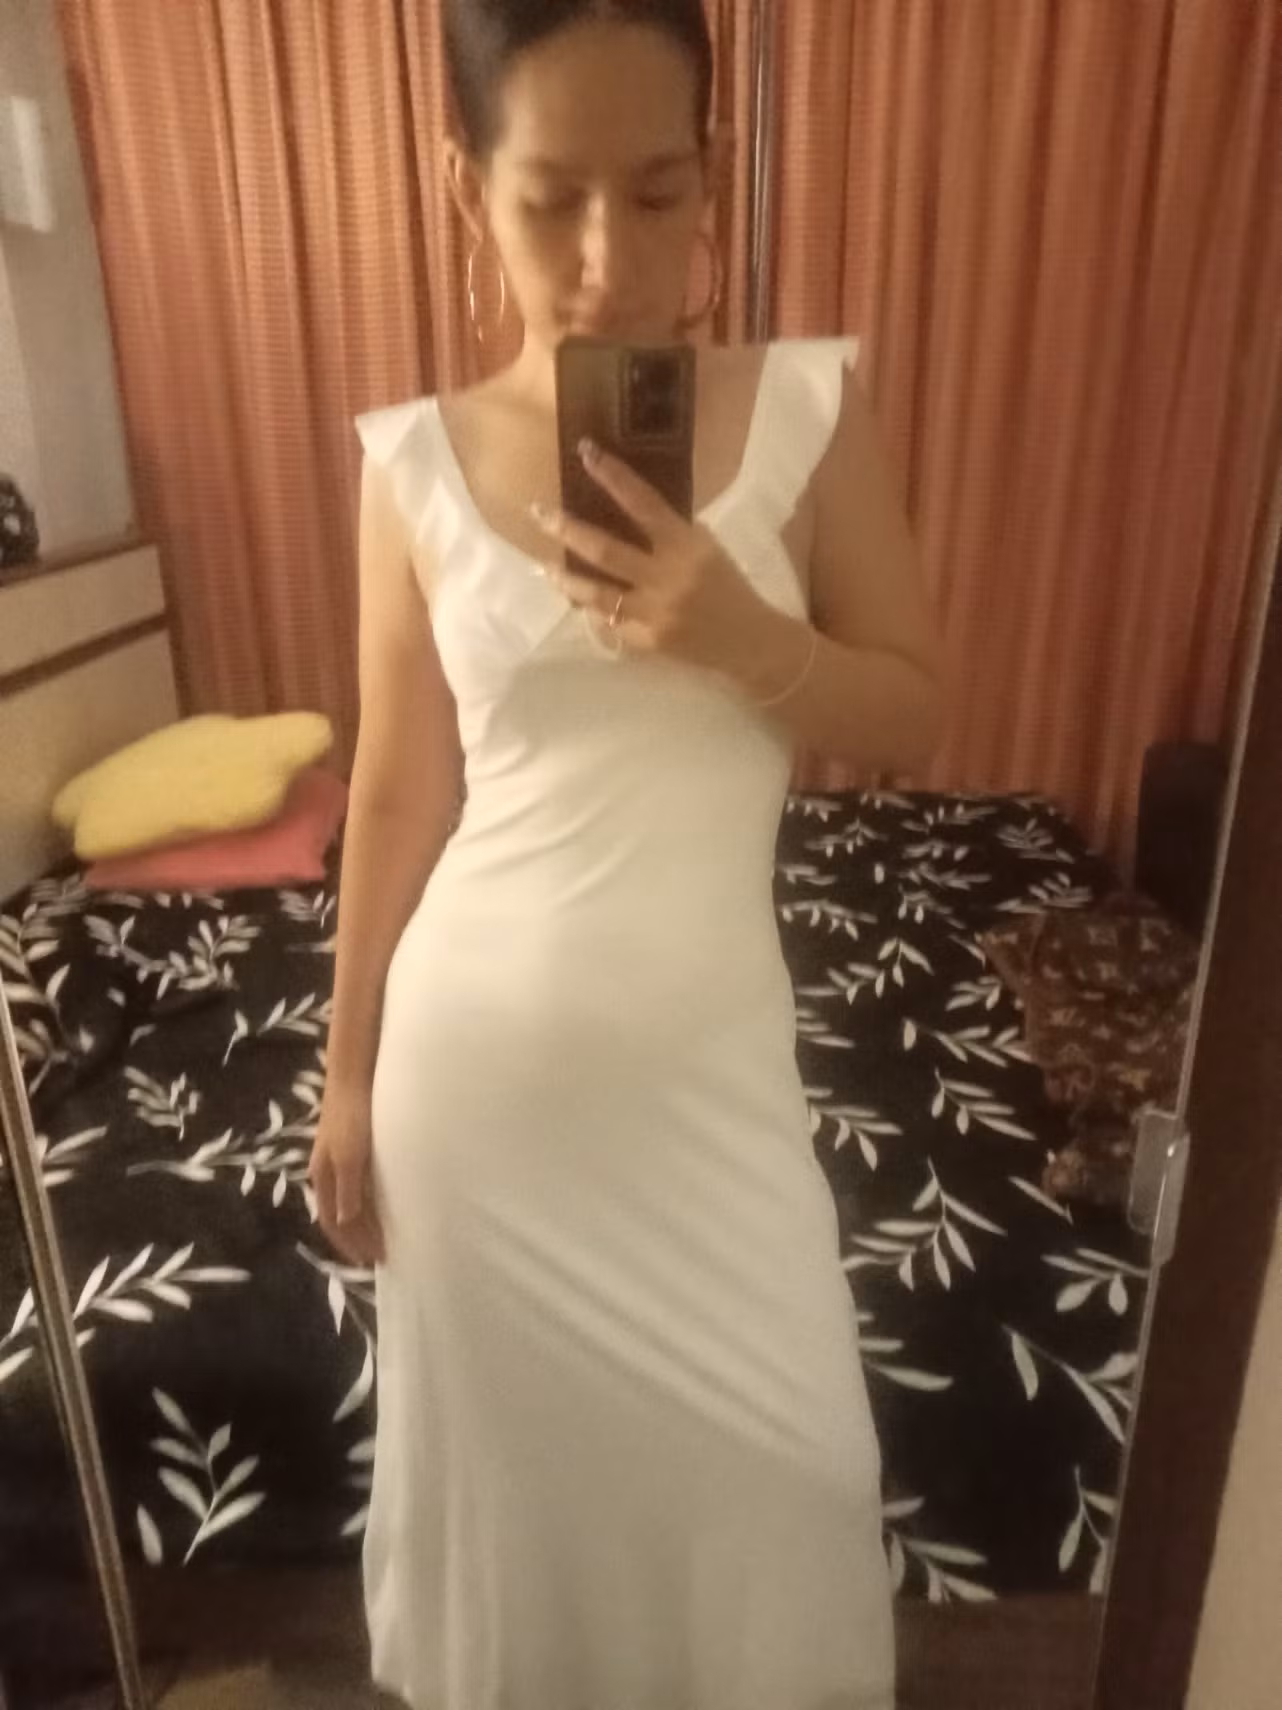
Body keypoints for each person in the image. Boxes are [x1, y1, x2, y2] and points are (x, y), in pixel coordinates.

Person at [308, 2, 947, 1705]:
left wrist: (743, 637)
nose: (609, 260)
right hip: (478, 1107)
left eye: (657, 194)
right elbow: (397, 790)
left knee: (798, 1480)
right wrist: (343, 1074)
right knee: (532, 1535)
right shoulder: (414, 464)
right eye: (551, 200)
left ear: (709, 181)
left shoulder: (806, 413)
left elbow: (915, 710)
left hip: (709, 1092)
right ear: (468, 191)